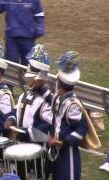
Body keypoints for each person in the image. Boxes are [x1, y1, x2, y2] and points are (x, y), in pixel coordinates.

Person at [48, 51, 88, 180]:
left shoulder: (72, 105)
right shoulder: (58, 97)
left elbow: (81, 129)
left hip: (68, 155)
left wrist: (64, 142)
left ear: (59, 82)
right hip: (57, 152)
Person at [0, 0, 45, 66]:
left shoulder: (34, 1)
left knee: (29, 64)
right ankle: (11, 75)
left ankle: (26, 76)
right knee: (11, 64)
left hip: (28, 38)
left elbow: (39, 15)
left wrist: (40, 29)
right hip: (11, 38)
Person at [13, 44, 53, 143]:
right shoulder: (24, 95)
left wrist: (26, 133)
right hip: (20, 144)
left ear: (39, 79)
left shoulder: (47, 100)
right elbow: (17, 111)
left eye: (31, 78)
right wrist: (11, 119)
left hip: (37, 149)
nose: (27, 80)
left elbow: (47, 126)